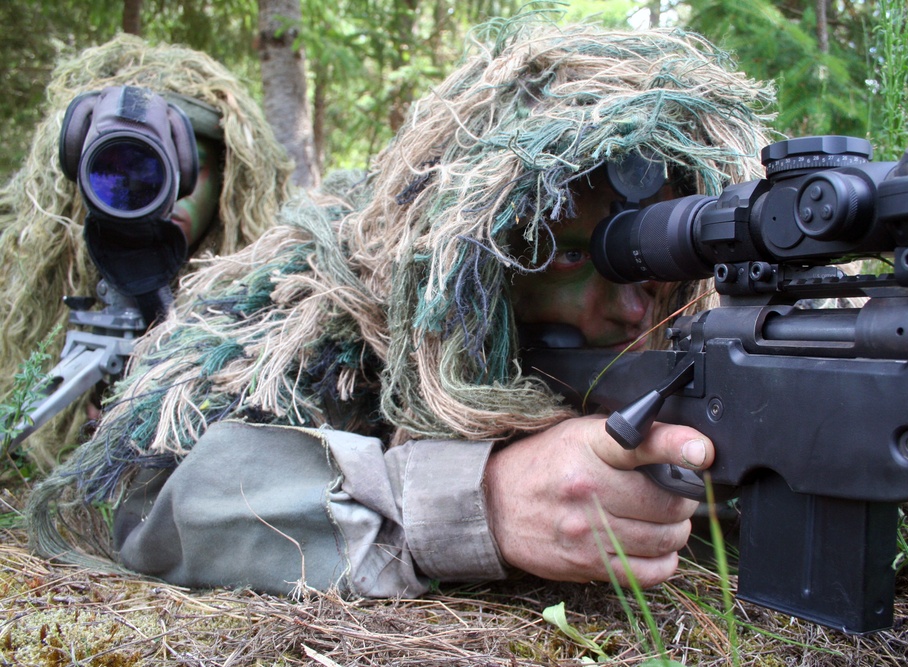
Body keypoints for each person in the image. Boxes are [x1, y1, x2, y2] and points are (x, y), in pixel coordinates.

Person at [29, 18, 773, 596]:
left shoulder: (699, 331)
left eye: (655, 260)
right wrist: (478, 502)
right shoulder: (323, 307)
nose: (633, 308)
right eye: (573, 254)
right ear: (471, 262)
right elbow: (144, 502)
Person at [0, 35, 295, 467]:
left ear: (228, 186)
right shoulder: (22, 290)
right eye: (119, 168)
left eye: (180, 166)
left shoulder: (273, 296)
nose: (157, 192)